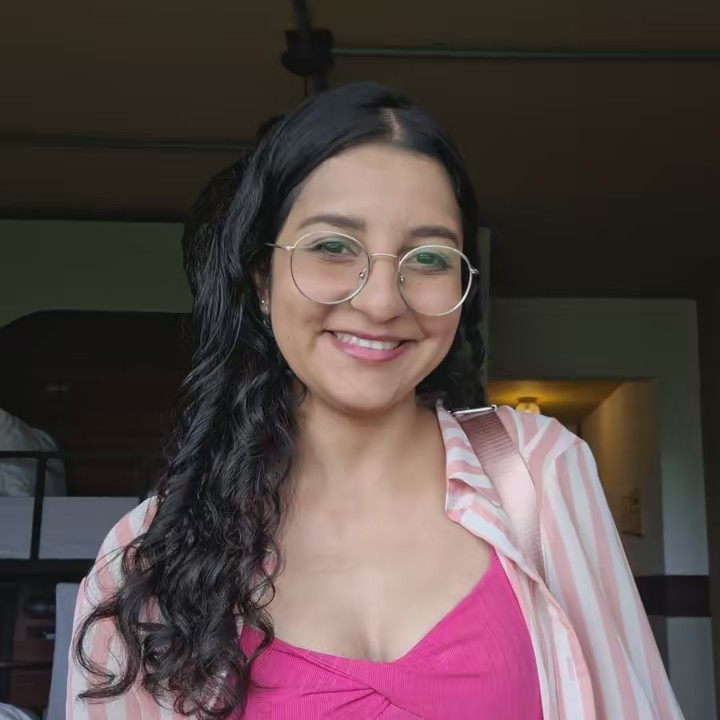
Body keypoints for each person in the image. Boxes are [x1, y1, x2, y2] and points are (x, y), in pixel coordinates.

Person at [67, 82, 683, 719]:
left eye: (429, 257)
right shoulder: (149, 560)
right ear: (262, 280)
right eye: (333, 247)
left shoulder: (536, 472)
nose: (383, 301)